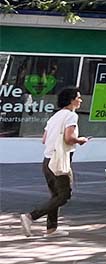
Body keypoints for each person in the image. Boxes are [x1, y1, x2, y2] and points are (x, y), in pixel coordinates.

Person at [19, 88, 89, 237]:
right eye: (78, 97)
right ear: (71, 100)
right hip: (60, 160)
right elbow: (69, 138)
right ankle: (30, 217)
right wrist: (81, 140)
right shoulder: (71, 116)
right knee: (64, 196)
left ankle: (52, 229)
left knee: (55, 195)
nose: (80, 100)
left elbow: (44, 139)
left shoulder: (55, 116)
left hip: (47, 160)